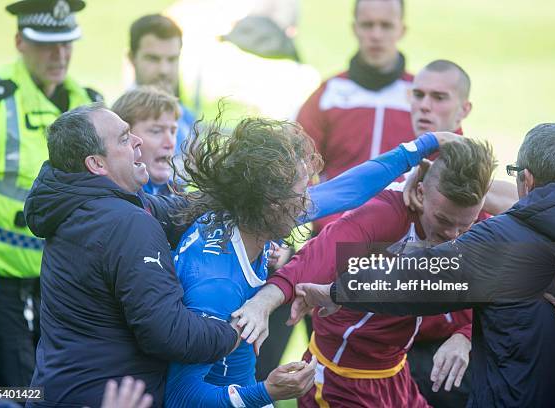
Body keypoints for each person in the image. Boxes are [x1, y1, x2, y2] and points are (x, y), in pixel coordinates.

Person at [163, 114, 458, 407]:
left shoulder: (242, 216)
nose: (310, 202)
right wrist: (267, 392)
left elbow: (346, 190)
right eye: (302, 194)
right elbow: (180, 399)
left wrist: (424, 145)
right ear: (271, 202)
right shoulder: (217, 286)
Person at [296, 123, 555, 406]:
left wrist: (335, 292)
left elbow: (415, 282)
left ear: (527, 179)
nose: (451, 233)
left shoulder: (502, 241)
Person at [234, 137, 496, 407]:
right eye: (442, 221)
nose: (453, 236)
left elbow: (499, 282)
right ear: (420, 194)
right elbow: (319, 254)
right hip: (341, 382)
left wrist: (465, 336)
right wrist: (264, 302)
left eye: (465, 226)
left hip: (396, 375)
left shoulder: (472, 219)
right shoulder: (386, 215)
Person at [23, 104, 240, 407]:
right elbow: (168, 332)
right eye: (125, 139)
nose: (137, 141)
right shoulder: (126, 222)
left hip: (59, 391)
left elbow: (172, 212)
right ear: (97, 163)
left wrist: (233, 195)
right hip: (105, 398)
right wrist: (232, 332)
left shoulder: (80, 201)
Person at [0, 0, 101, 387]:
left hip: (64, 287)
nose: (59, 54)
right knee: (13, 390)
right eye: (47, 44)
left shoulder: (89, 104)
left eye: (66, 43)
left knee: (60, 388)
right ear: (19, 41)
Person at [297, 0, 413, 234]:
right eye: (368, 25)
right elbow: (295, 165)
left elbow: (450, 166)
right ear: (354, 29)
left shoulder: (423, 96)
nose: (376, 35)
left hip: (404, 241)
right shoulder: (329, 94)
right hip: (332, 235)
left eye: (386, 25)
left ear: (401, 30)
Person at [129, 14, 195, 157]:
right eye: (153, 59)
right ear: (132, 58)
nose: (164, 70)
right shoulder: (119, 123)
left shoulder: (187, 118)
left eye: (172, 59)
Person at [112, 86, 179, 196]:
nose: (170, 143)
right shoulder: (113, 198)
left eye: (173, 131)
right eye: (156, 131)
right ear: (124, 138)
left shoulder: (176, 192)